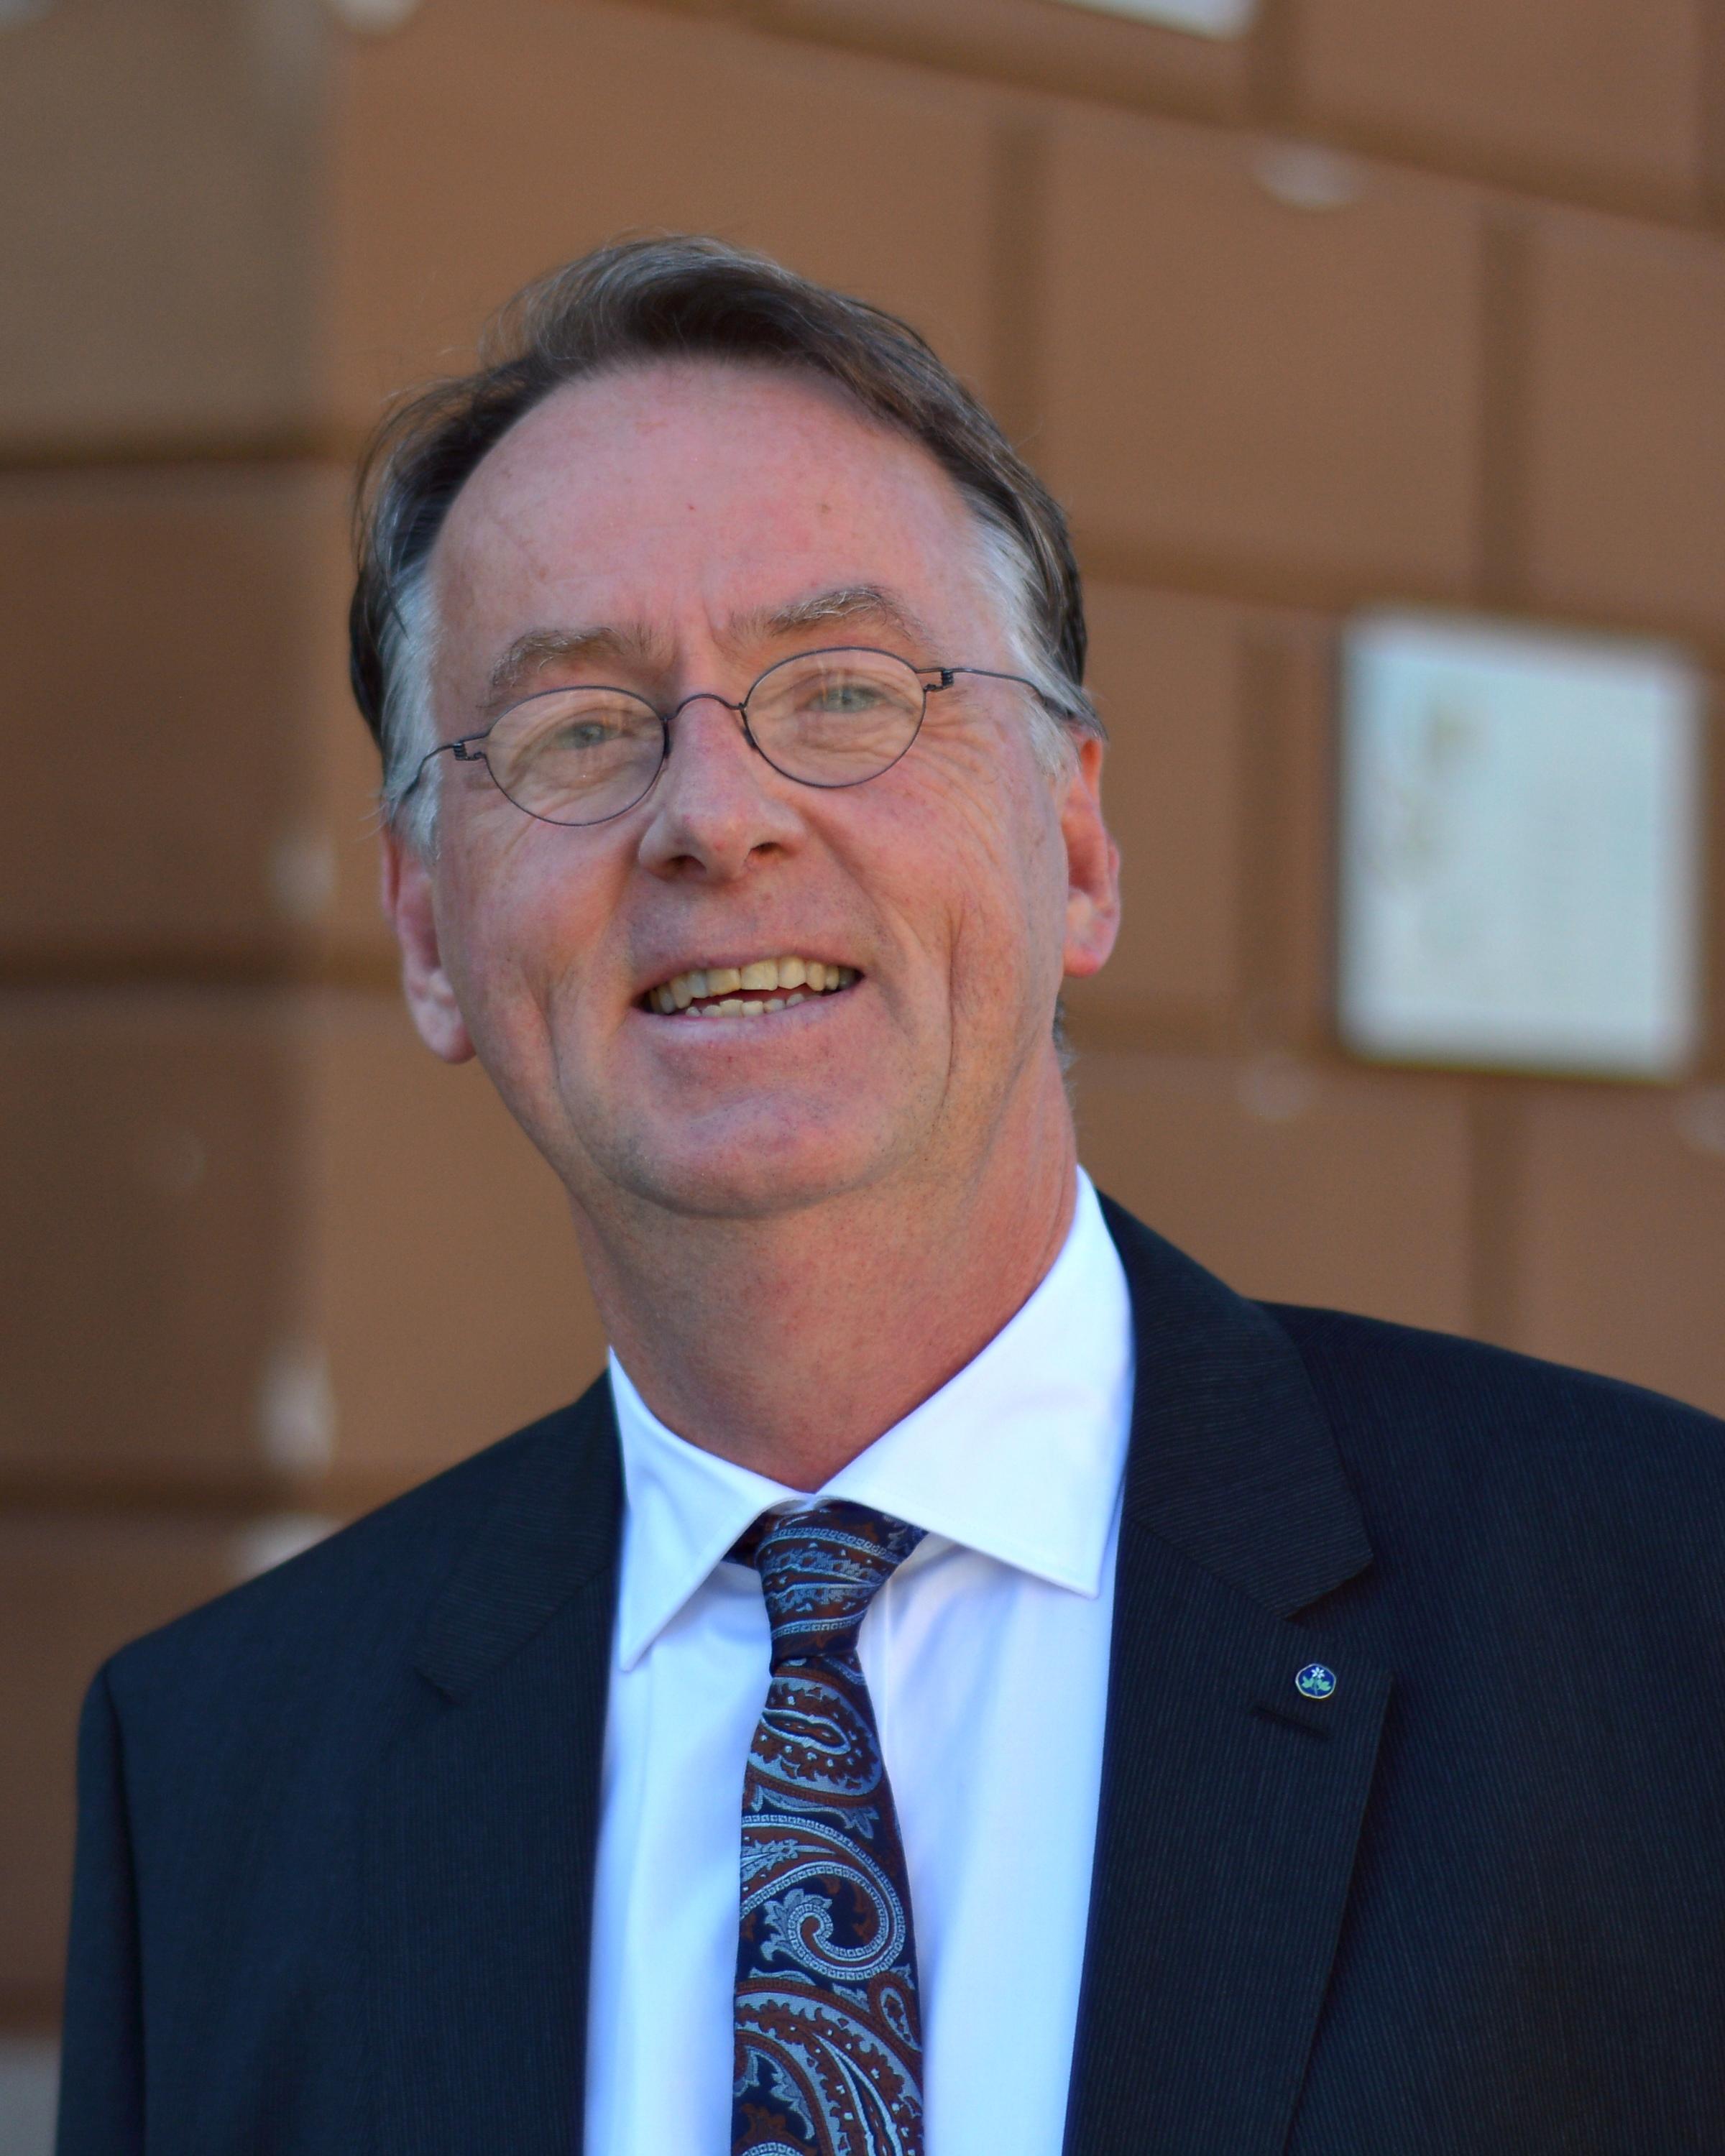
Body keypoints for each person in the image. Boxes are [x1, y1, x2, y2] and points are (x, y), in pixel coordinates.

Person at [56, 236, 1725, 2156]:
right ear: (430, 934)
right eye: (576, 729)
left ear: (1076, 848)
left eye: (844, 693)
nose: (714, 815)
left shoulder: (1656, 1621)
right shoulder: (220, 1779)